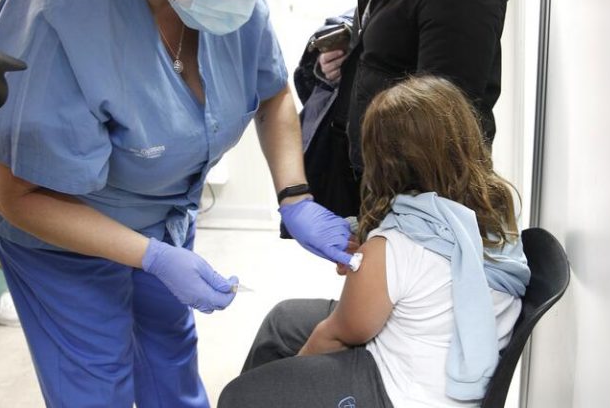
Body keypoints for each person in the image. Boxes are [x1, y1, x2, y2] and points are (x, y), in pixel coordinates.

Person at [0, 0, 353, 406]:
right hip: (63, 239)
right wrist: (153, 258)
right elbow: (19, 196)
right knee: (98, 388)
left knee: (172, 366)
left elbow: (272, 94)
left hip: (164, 220)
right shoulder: (56, 9)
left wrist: (295, 195)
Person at [219, 76, 531, 408]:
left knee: (240, 396)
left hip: (404, 394)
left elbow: (337, 335)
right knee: (283, 320)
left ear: (384, 164)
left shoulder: (394, 247)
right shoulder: (494, 211)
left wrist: (293, 377)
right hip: (439, 355)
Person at [296, 0, 519, 218]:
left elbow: (440, 118)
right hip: (380, 174)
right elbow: (391, 43)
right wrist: (346, 59)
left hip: (419, 187)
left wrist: (397, 217)